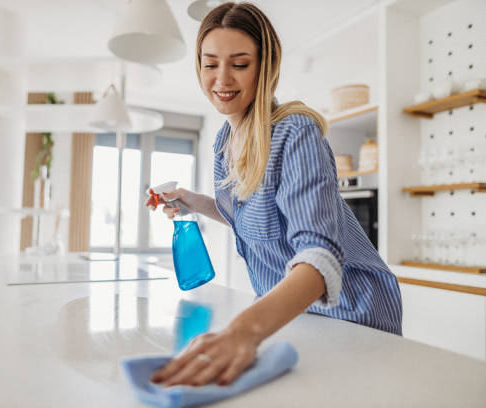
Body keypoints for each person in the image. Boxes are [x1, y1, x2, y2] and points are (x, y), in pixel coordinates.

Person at [145, 2, 402, 388]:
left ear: (266, 67)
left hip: (352, 312)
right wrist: (190, 200)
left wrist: (243, 330)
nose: (222, 79)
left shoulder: (295, 132)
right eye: (210, 63)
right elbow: (248, 216)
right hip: (291, 315)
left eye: (240, 64)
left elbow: (319, 258)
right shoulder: (223, 143)